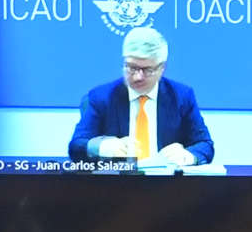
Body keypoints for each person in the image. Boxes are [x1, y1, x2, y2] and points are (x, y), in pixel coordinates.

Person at [70, 27, 215, 166]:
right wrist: (101, 146)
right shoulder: (102, 97)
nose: (137, 77)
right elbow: (76, 146)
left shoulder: (181, 97)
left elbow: (205, 145)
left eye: (147, 70)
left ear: (162, 68)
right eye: (131, 67)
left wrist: (188, 156)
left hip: (168, 186)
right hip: (115, 186)